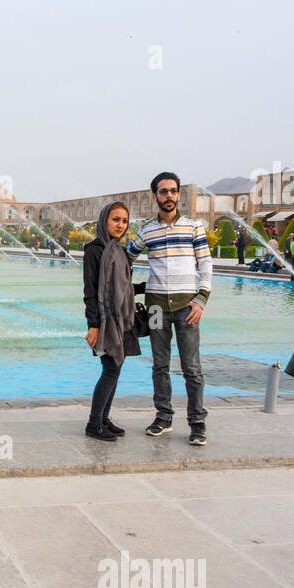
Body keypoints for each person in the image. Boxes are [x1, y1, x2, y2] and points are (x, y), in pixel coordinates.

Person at [126, 172, 211, 446]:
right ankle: (163, 417)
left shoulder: (193, 227)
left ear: (179, 194)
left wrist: (201, 298)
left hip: (187, 308)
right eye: (164, 192)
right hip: (155, 309)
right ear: (155, 196)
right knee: (160, 365)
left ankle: (197, 423)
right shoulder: (146, 230)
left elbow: (206, 264)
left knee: (191, 367)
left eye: (174, 191)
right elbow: (126, 258)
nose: (170, 196)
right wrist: (129, 290)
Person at [82, 202, 145, 440]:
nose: (120, 225)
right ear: (104, 220)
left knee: (115, 370)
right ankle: (93, 424)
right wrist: (94, 325)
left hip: (122, 318)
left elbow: (123, 288)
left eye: (124, 221)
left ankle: (103, 419)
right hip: (106, 320)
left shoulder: (119, 250)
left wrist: (144, 288)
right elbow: (91, 290)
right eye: (115, 219)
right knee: (110, 369)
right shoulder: (95, 250)